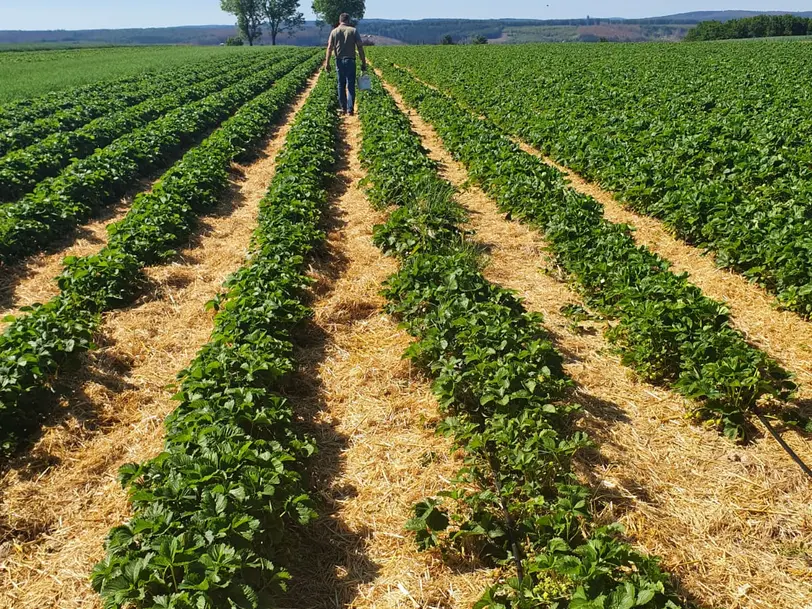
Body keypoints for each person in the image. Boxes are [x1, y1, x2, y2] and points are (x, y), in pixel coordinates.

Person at [324, 13, 367, 115]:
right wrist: (363, 62)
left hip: (339, 61)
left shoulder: (334, 32)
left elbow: (329, 47)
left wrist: (327, 63)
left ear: (340, 21)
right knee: (350, 85)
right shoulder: (353, 31)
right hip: (350, 60)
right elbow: (360, 47)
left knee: (341, 84)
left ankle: (343, 108)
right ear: (348, 20)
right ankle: (350, 109)